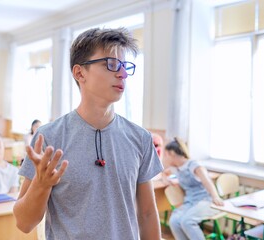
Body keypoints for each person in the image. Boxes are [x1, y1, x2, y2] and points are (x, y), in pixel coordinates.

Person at [13, 27, 163, 240]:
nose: (123, 74)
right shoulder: (49, 138)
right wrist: (41, 185)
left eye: (125, 66)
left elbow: (147, 214)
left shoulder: (140, 138)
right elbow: (24, 223)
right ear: (79, 73)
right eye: (111, 64)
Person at [162, 137, 224, 240]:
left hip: (205, 200)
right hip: (190, 202)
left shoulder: (193, 165)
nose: (165, 157)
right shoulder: (176, 168)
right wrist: (166, 179)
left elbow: (207, 182)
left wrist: (215, 197)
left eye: (166, 154)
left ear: (172, 154)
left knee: (187, 221)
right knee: (174, 221)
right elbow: (164, 173)